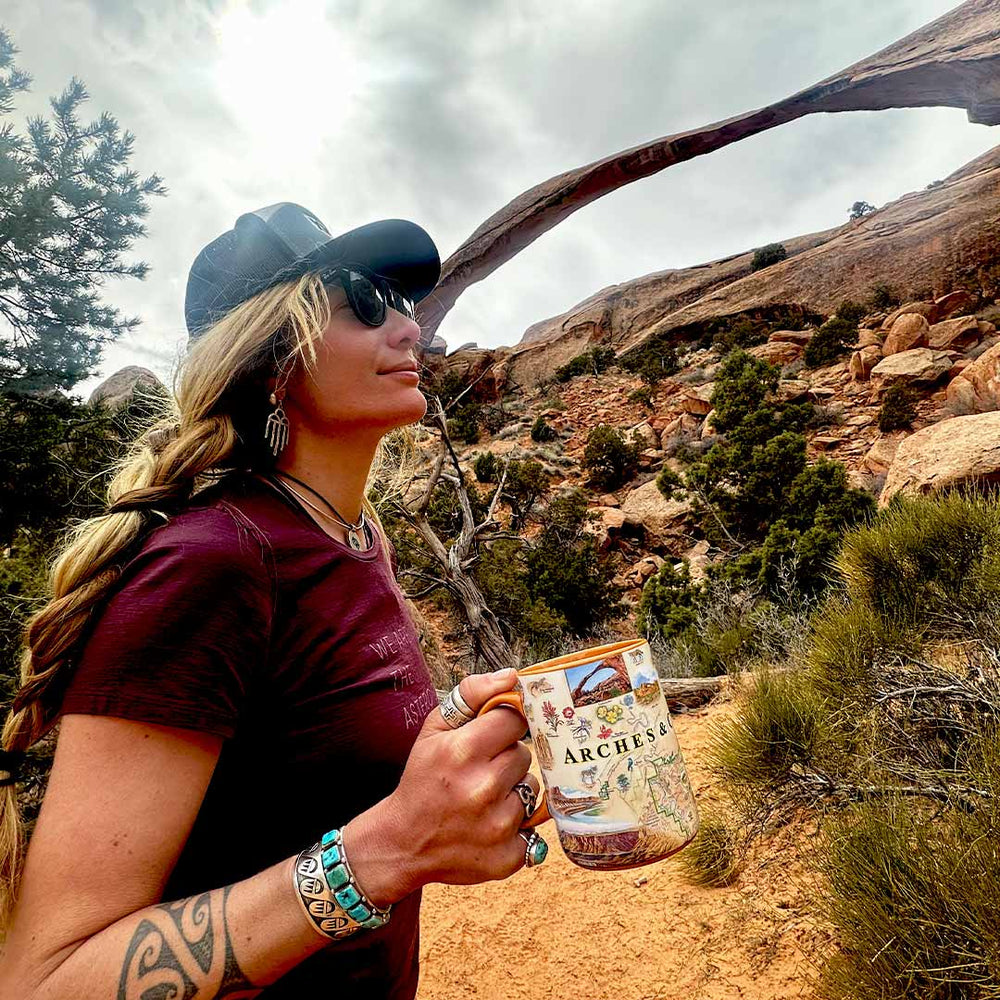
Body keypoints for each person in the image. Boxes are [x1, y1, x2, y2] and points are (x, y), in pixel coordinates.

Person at [0, 203, 547, 999]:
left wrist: (450, 744)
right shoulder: (211, 564)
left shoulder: (354, 535)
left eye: (402, 303)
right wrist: (384, 853)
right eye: (365, 302)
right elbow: (45, 981)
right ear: (270, 359)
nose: (409, 327)